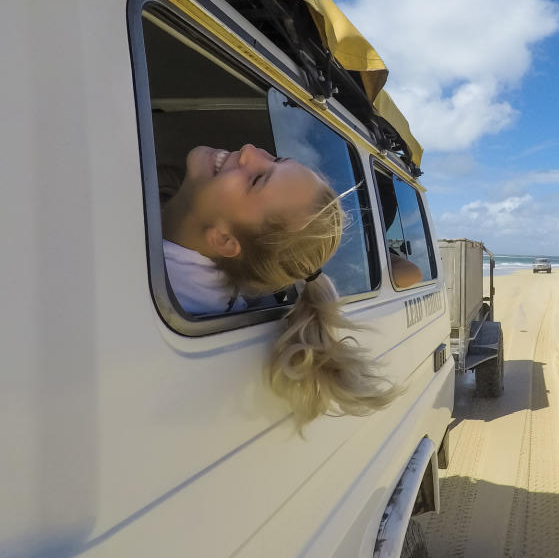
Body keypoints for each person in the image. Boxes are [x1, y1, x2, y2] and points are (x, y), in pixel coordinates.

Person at [162, 143, 397, 425]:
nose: (250, 150)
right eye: (276, 159)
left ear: (225, 240)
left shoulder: (145, 280)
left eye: (256, 180)